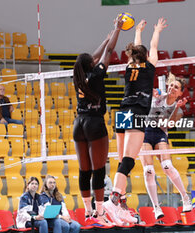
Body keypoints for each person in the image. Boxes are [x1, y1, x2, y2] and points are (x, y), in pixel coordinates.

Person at [103, 18, 168, 225]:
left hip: (122, 112)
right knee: (129, 160)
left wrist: (138, 31)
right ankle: (113, 199)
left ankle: (120, 201)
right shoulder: (149, 67)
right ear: (146, 56)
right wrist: (156, 30)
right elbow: (154, 46)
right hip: (137, 113)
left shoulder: (129, 66)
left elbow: (140, 50)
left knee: (123, 160)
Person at [72, 15, 123, 225]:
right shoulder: (96, 75)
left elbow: (91, 58)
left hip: (79, 123)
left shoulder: (77, 75)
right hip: (94, 123)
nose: (95, 61)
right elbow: (108, 53)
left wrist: (104, 39)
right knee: (98, 171)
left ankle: (88, 212)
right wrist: (117, 30)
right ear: (91, 64)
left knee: (84, 170)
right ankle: (100, 213)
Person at [141, 73, 190, 219]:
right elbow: (147, 94)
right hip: (145, 131)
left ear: (181, 93)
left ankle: (185, 198)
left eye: (177, 87)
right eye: (172, 85)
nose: (173, 88)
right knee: (148, 170)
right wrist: (152, 93)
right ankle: (156, 208)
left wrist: (176, 108)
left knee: (167, 165)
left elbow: (167, 124)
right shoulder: (159, 95)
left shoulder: (179, 110)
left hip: (160, 133)